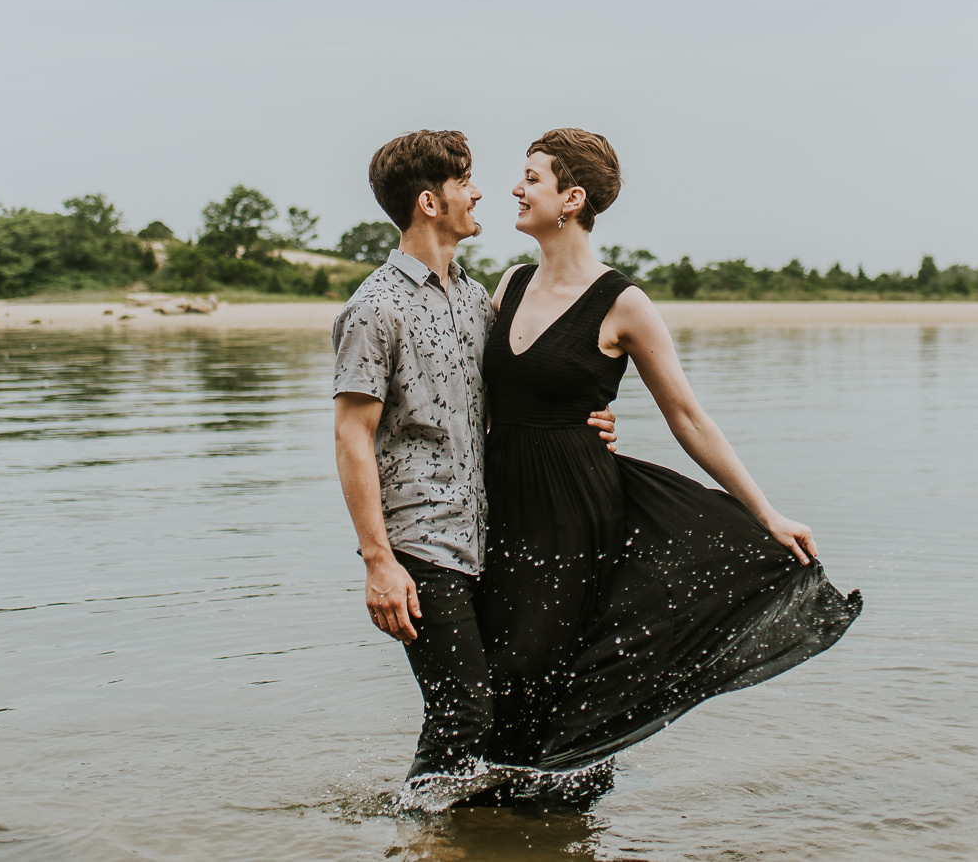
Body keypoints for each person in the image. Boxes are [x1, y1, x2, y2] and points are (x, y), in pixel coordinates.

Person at [477, 128, 861, 780]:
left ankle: (540, 816)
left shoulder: (623, 303)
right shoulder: (508, 285)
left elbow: (687, 416)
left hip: (577, 511)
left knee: (542, 665)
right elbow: (481, 400)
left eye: (532, 178)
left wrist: (765, 513)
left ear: (571, 198)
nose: (517, 188)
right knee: (500, 668)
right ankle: (517, 810)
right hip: (504, 502)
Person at [330, 130, 616, 796]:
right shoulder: (375, 308)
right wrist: (378, 561)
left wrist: (588, 416)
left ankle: (481, 831)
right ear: (430, 202)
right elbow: (351, 438)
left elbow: (520, 388)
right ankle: (412, 834)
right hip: (420, 546)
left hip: (488, 536)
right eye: (465, 182)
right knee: (462, 715)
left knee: (508, 712)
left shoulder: (474, 298)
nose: (481, 191)